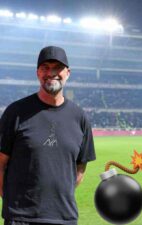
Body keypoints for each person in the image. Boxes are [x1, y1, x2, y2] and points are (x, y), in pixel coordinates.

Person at [0, 46, 96, 225]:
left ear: (68, 73)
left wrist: (59, 197)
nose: (51, 73)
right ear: (37, 73)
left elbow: (81, 166)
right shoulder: (16, 112)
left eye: (58, 68)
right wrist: (13, 202)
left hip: (64, 218)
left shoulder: (80, 117)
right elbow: (0, 163)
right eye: (45, 67)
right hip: (21, 218)